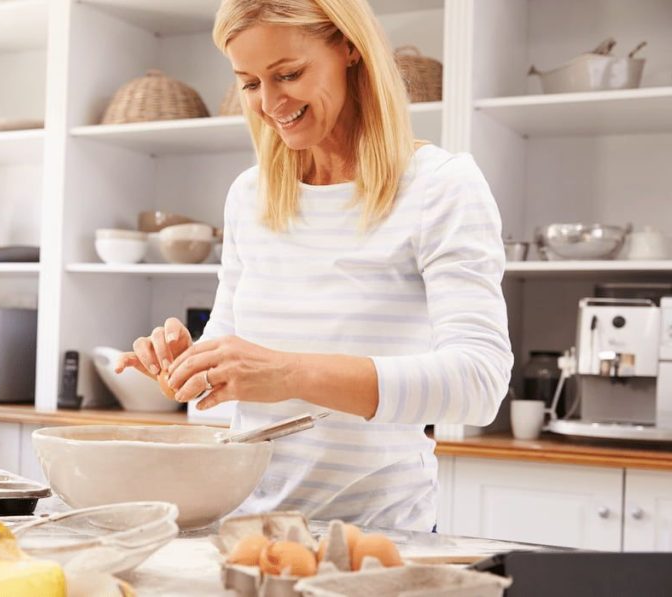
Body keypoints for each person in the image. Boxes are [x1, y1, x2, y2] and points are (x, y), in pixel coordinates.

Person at [115, 0, 512, 532]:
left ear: (349, 47)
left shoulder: (439, 186)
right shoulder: (250, 195)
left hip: (377, 539)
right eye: (250, 83)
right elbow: (225, 388)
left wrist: (288, 373)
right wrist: (186, 370)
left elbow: (479, 383)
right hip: (244, 533)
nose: (270, 103)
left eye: (289, 74)